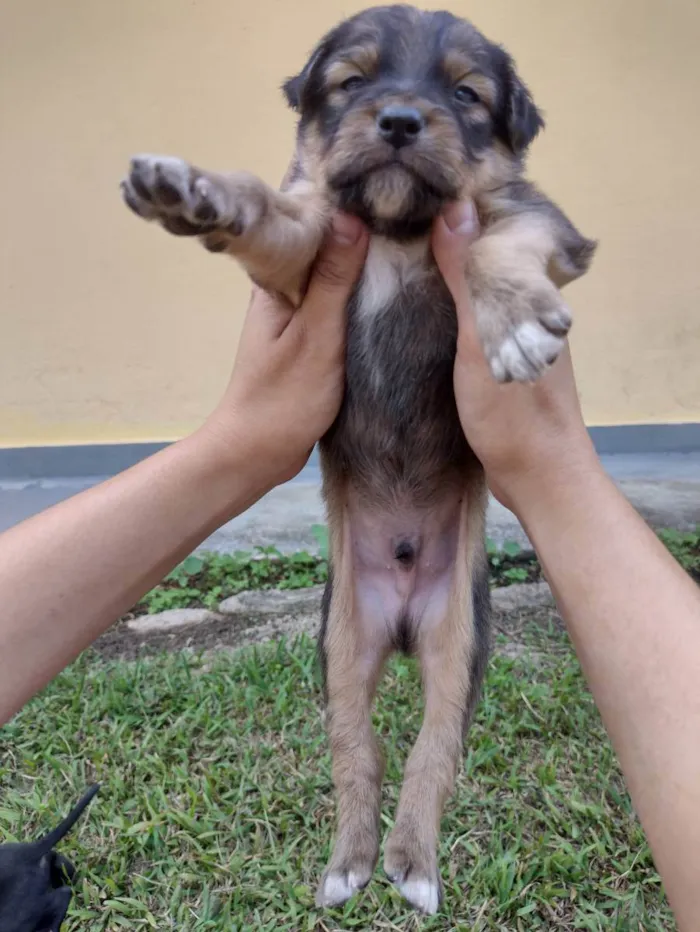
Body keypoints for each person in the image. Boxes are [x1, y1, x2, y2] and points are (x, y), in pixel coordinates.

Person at [0, 203, 697, 929]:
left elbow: (545, 229)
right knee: (346, 713)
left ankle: (415, 836)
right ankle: (354, 835)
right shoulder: (326, 215)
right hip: (360, 537)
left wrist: (523, 276)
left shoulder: (482, 217)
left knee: (447, 704)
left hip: (446, 530)